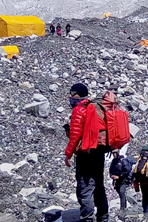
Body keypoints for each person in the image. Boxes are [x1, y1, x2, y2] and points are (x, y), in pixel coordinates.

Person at [64, 83, 109, 222]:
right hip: (99, 152)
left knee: (85, 188)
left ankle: (87, 219)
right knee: (98, 186)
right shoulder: (94, 108)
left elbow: (75, 135)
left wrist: (68, 154)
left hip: (86, 153)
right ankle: (103, 217)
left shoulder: (79, 109)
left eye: (73, 93)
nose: (70, 96)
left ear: (78, 94)